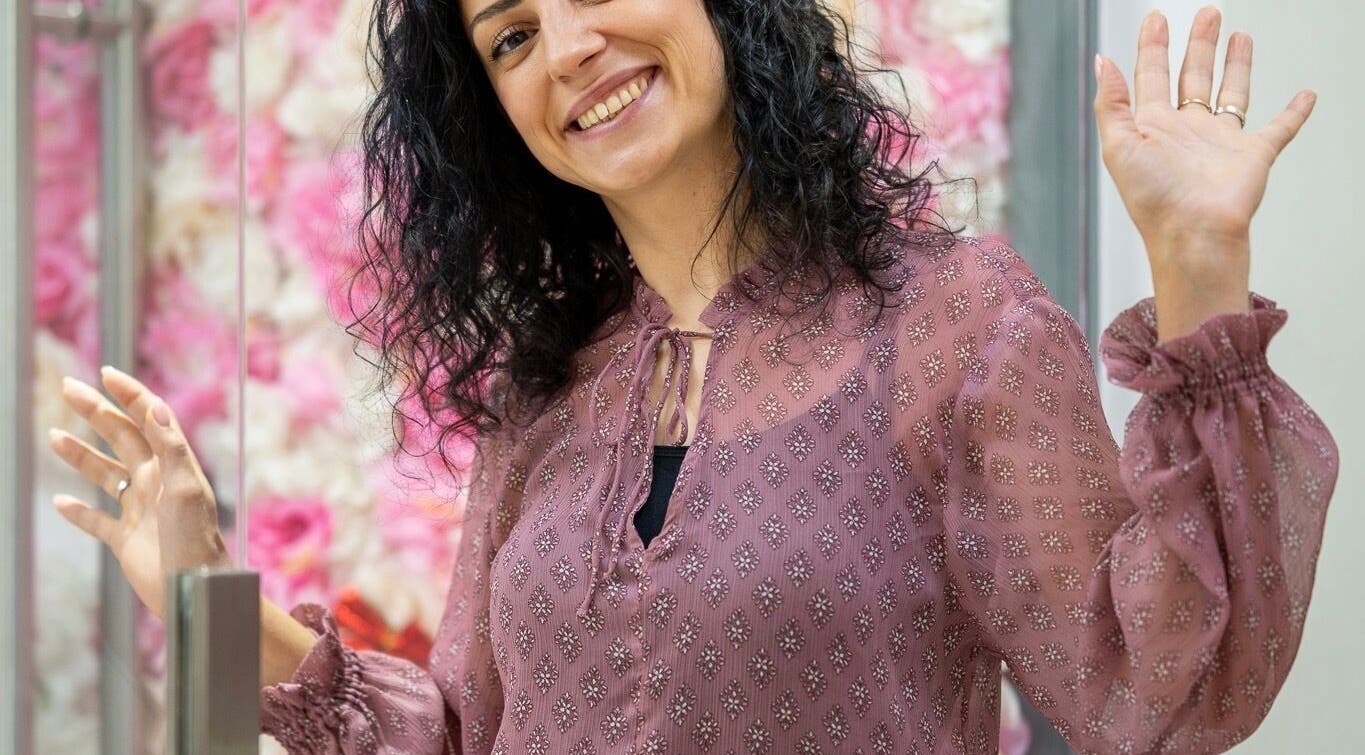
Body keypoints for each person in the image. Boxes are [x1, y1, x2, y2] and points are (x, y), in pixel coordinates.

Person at [47, 2, 1338, 753]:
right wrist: (201, 584)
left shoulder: (951, 324)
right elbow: (458, 735)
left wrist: (1198, 273)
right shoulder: (543, 390)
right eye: (507, 38)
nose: (566, 50)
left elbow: (1162, 679)